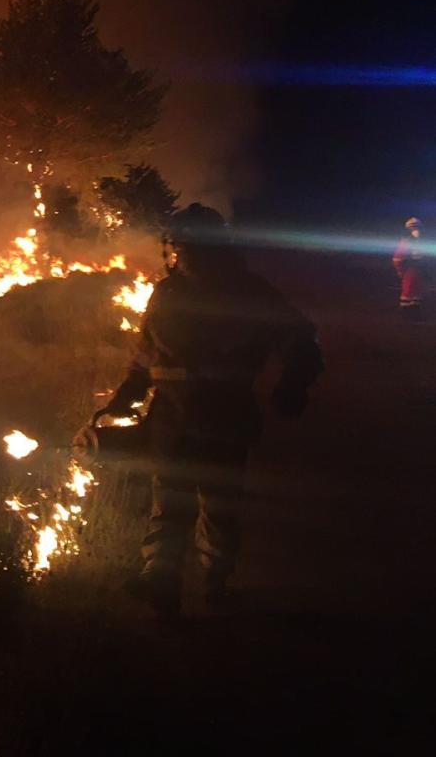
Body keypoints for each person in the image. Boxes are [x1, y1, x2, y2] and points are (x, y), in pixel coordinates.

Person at [79, 203, 322, 617]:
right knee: (183, 505)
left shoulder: (244, 292)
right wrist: (123, 397)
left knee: (209, 506)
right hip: (181, 421)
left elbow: (299, 340)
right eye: (179, 246)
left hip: (213, 420)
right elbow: (145, 358)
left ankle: (208, 582)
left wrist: (292, 385)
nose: (182, 254)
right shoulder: (172, 293)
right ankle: (167, 582)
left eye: (188, 246)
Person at [392, 216, 424, 318]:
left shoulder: (421, 241)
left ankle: (415, 312)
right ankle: (407, 313)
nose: (416, 230)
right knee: (409, 291)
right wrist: (400, 271)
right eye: (414, 228)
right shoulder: (406, 242)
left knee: (416, 292)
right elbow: (397, 258)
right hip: (410, 270)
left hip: (418, 270)